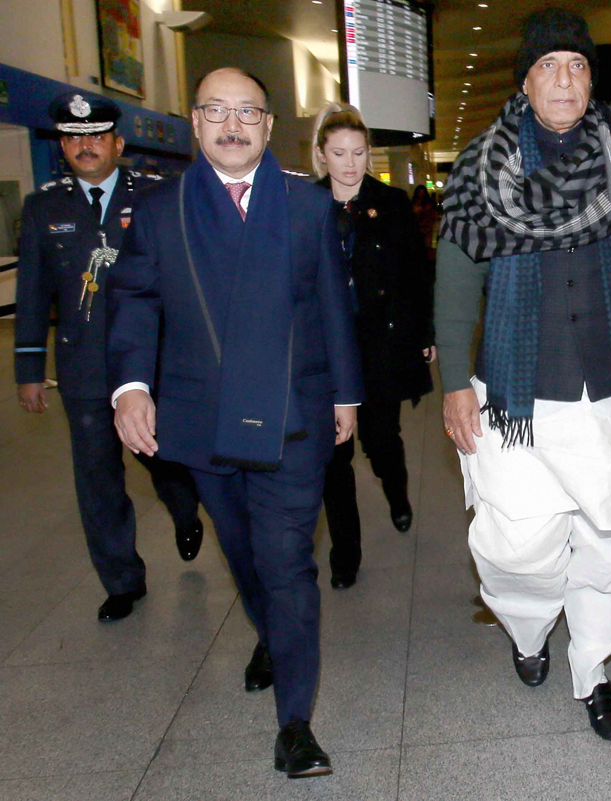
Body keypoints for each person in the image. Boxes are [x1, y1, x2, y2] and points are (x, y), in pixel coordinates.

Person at [435, 8, 611, 742]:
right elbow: (457, 279)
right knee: (515, 548)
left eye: (578, 67)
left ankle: (590, 668)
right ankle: (528, 630)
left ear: (591, 80)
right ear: (526, 80)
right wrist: (455, 383)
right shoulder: (481, 163)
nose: (564, 79)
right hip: (520, 390)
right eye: (549, 66)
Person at [106, 68, 363, 778]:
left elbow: (333, 306)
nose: (232, 123)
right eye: (216, 110)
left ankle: (296, 723)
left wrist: (347, 393)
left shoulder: (308, 206)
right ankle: (272, 635)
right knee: (246, 556)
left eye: (248, 111)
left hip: (294, 418)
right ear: (193, 122)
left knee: (286, 561)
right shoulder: (161, 212)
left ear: (270, 126)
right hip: (202, 422)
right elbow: (134, 303)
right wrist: (130, 386)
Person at [14, 92, 203, 624]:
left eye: (96, 136)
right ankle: (122, 580)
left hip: (153, 365)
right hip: (83, 370)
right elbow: (32, 295)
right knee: (97, 479)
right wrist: (30, 370)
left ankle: (185, 509)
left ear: (118, 143)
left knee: (165, 460)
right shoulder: (44, 206)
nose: (85, 147)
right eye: (74, 139)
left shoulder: (156, 196)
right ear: (63, 148)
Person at [311, 102, 435, 588]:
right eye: (339, 153)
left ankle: (397, 493)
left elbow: (415, 275)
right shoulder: (306, 205)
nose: (349, 162)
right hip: (326, 351)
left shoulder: (394, 203)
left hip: (380, 345)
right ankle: (346, 552)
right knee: (333, 456)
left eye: (358, 152)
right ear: (322, 155)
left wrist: (423, 333)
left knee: (382, 441)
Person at [411, 183, 439, 260]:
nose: (421, 195)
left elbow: (431, 214)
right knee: (419, 247)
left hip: (426, 228)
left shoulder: (427, 204)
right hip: (418, 228)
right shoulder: (416, 203)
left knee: (426, 247)